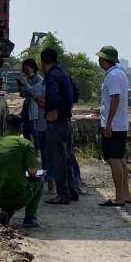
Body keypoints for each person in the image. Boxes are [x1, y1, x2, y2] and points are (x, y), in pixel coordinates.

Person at [0, 114, 42, 228]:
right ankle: (30, 219)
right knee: (39, 180)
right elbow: (32, 173)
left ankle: (6, 212)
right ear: (21, 127)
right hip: (18, 197)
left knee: (10, 183)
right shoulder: (25, 144)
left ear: (5, 126)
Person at [95, 46, 131, 207]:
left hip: (114, 125)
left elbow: (115, 98)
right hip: (120, 123)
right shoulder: (120, 74)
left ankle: (119, 197)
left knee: (113, 159)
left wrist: (108, 124)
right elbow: (114, 100)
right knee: (120, 159)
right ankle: (126, 194)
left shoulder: (112, 76)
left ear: (103, 60)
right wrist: (102, 109)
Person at [41, 48, 78, 204]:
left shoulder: (51, 76)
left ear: (43, 62)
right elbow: (76, 94)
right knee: (67, 158)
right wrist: (65, 110)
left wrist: (54, 111)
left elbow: (53, 97)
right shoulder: (64, 74)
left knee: (58, 159)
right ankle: (72, 190)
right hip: (66, 121)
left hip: (56, 123)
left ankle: (62, 194)